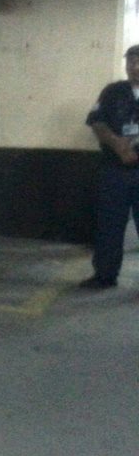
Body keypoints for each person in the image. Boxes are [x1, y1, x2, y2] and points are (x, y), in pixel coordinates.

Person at [79, 44, 139, 289]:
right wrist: (117, 145)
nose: (134, 67)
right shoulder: (113, 92)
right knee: (109, 225)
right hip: (114, 170)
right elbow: (97, 122)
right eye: (130, 62)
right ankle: (104, 275)